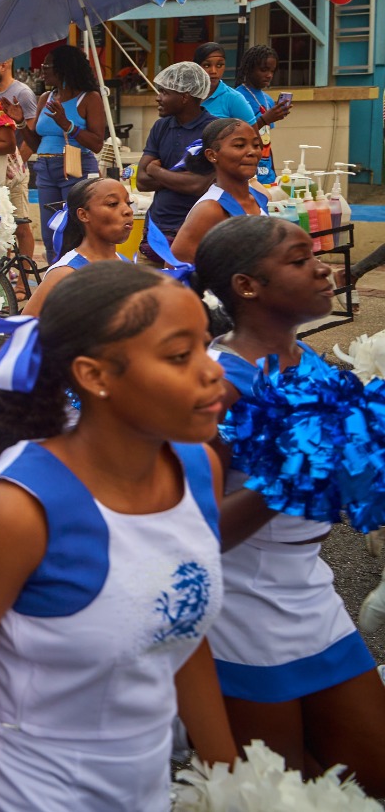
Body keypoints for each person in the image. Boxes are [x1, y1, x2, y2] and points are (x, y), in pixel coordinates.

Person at [0, 262, 236, 810]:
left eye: (207, 348)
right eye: (178, 355)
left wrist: (231, 782)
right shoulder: (14, 513)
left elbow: (181, 631)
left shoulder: (198, 469)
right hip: (21, 794)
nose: (214, 374)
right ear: (95, 376)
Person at [194, 217, 385, 795]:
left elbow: (336, 489)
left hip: (312, 595)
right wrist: (289, 474)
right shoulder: (214, 383)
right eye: (301, 260)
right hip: (239, 613)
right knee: (280, 794)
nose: (324, 267)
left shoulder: (312, 363)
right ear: (248, 286)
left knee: (370, 774)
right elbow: (191, 533)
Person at [21, 44, 108, 256]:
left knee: (72, 231)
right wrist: (20, 123)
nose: (42, 70)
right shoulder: (45, 98)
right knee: (50, 231)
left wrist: (68, 125)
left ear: (63, 69)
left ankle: (75, 280)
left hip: (74, 168)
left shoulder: (89, 98)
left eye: (47, 66)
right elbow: (34, 143)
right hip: (45, 168)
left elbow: (97, 143)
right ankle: (55, 278)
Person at [22, 176, 134, 316]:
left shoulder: (126, 264)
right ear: (83, 214)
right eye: (112, 204)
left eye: (129, 203)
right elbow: (25, 329)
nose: (127, 210)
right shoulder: (65, 274)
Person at [137, 61, 215, 249]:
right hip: (156, 232)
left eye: (165, 92)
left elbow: (198, 185)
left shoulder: (213, 131)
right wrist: (181, 179)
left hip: (195, 233)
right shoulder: (161, 127)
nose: (158, 98)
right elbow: (141, 181)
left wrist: (155, 170)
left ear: (185, 97)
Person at [170, 119, 266, 264]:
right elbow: (174, 267)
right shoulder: (210, 209)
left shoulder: (258, 198)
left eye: (256, 145)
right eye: (240, 145)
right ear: (212, 155)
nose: (252, 152)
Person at [0, 53, 40, 267]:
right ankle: (8, 276)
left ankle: (23, 281)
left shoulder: (22, 93)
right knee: (1, 227)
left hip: (14, 172)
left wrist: (19, 165)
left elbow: (32, 135)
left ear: (4, 65)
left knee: (21, 226)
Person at [234, 44, 294, 189]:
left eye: (272, 71)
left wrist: (274, 171)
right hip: (247, 175)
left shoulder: (267, 99)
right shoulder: (237, 97)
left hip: (267, 175)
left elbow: (266, 140)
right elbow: (237, 135)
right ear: (249, 69)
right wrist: (265, 119)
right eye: (264, 70)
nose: (269, 75)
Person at [193, 43, 257, 124]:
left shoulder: (234, 99)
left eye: (219, 65)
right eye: (207, 65)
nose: (213, 71)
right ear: (196, 67)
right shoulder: (186, 95)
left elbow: (252, 134)